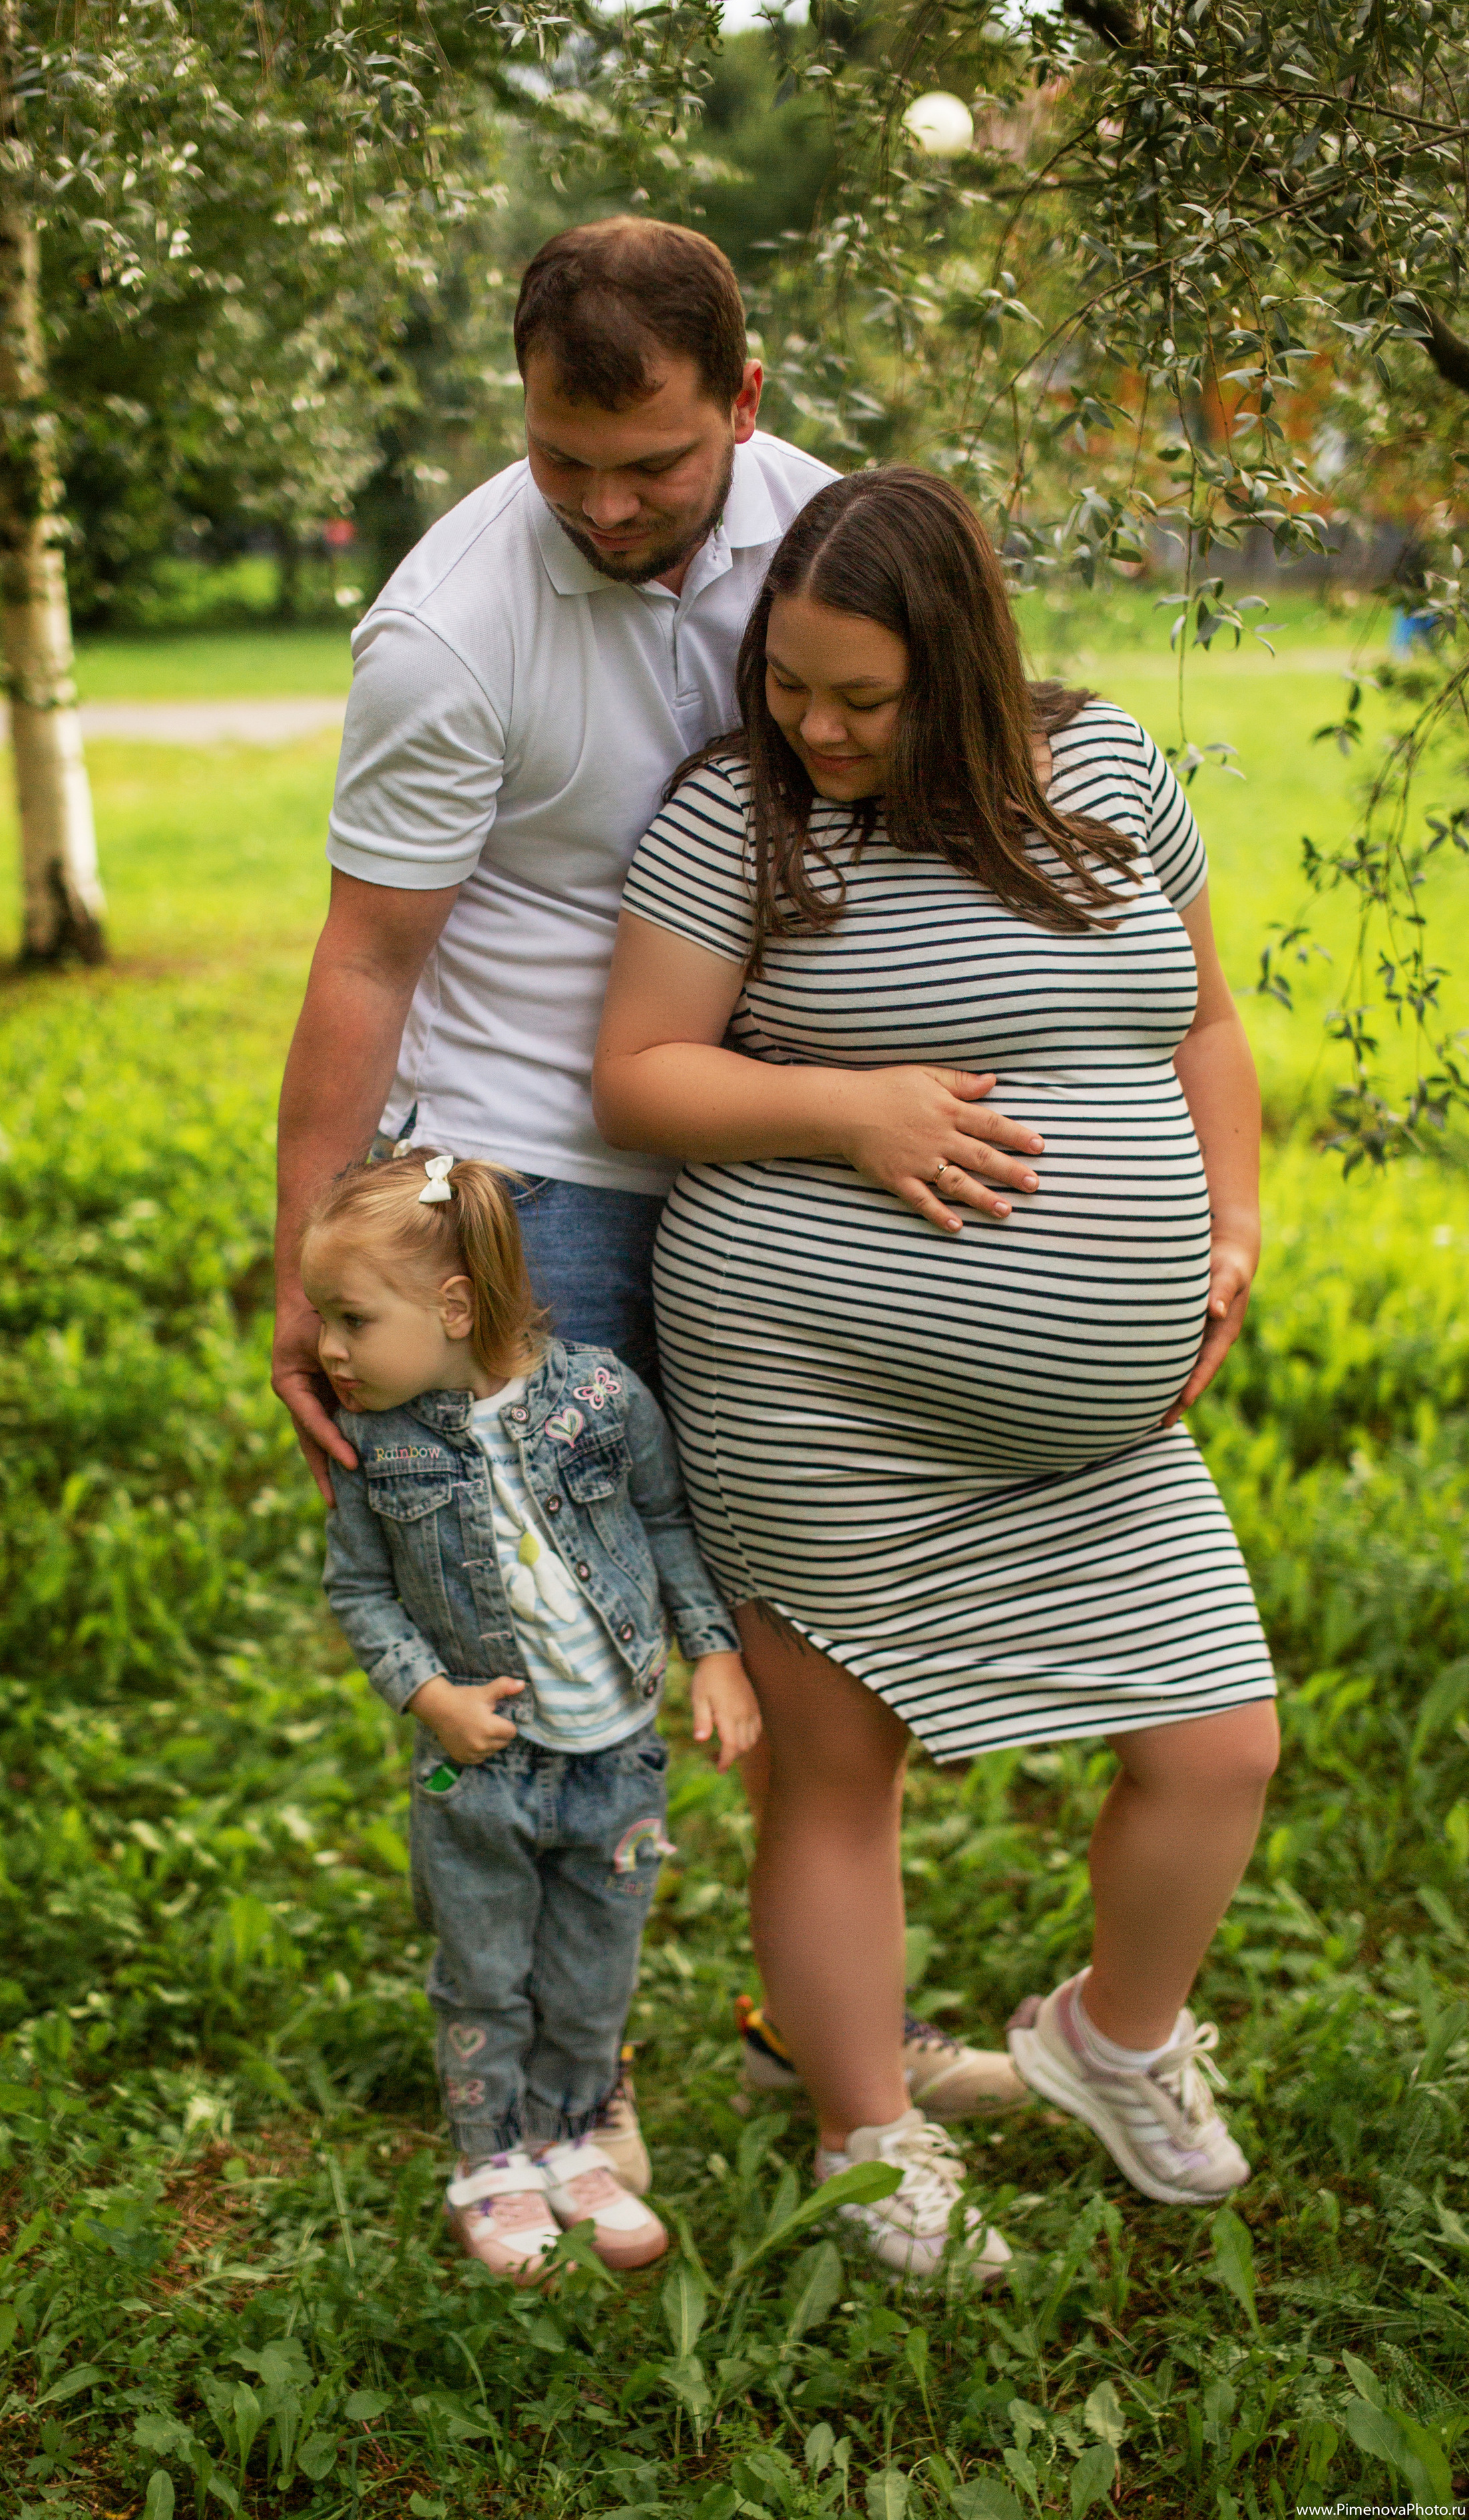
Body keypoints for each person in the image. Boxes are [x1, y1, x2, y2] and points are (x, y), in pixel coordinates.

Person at [274, 214, 1026, 2119]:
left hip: (780, 1144)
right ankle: (550, 2077)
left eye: (655, 467)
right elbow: (367, 955)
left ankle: (821, 2020)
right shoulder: (452, 633)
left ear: (748, 404)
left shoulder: (834, 538)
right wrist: (307, 1253)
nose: (607, 508)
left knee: (803, 1612)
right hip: (539, 1180)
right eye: (563, 462)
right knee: (543, 1630)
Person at [594, 467, 1280, 2284]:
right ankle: (863, 2136)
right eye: (790, 684)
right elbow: (642, 1072)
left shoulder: (1110, 773)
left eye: (862, 698)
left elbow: (1200, 1020)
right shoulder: (740, 815)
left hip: (1095, 1440)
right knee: (838, 1774)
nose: (814, 725)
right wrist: (850, 1105)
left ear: (962, 669)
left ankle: (1115, 2042)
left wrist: (1228, 1223)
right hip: (813, 1389)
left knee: (1220, 1743)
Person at [304, 1147, 761, 2280]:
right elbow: (359, 1589)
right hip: (483, 1771)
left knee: (594, 1969)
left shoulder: (603, 1396)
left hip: (616, 1759)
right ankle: (488, 2163)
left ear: (453, 1306)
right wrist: (428, 1695)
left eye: (350, 1318)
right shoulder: (380, 1443)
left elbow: (663, 1525)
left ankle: (567, 2138)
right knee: (485, 1967)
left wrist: (714, 1654)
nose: (324, 1348)